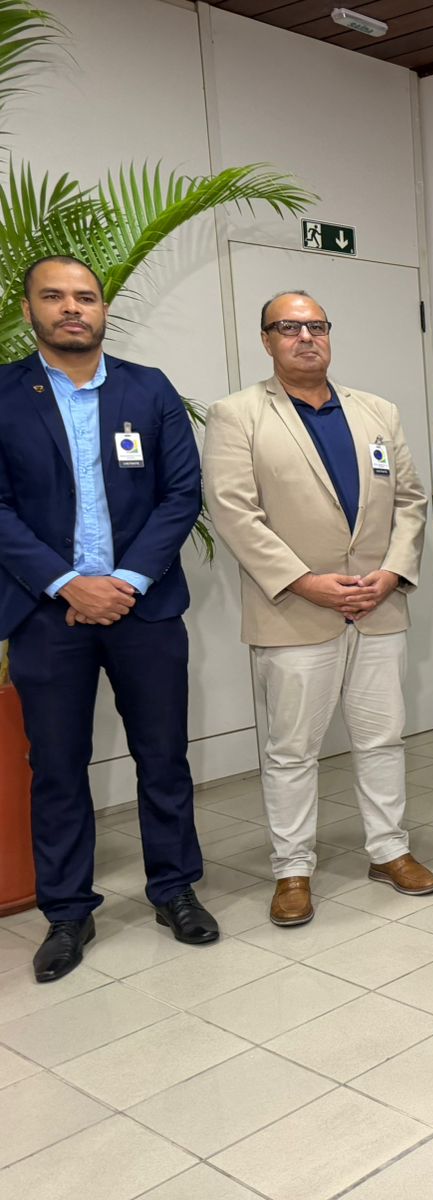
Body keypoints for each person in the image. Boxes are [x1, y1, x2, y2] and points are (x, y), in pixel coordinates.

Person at [0, 255, 216, 982]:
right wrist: (67, 584)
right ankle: (67, 911)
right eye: (54, 296)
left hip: (143, 608)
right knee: (57, 766)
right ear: (28, 309)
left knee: (164, 756)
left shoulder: (148, 389)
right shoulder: (4, 393)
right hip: (45, 613)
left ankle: (174, 889)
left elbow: (181, 493)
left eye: (85, 297)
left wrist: (124, 581)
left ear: (102, 309)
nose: (72, 308)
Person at [204, 290, 433, 927]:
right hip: (293, 611)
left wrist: (393, 572)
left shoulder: (377, 411)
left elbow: (412, 501)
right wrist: (304, 581)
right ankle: (292, 868)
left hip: (378, 607)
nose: (305, 338)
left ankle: (389, 850)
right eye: (289, 328)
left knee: (382, 738)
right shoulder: (237, 415)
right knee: (291, 750)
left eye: (316, 326)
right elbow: (235, 512)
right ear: (266, 340)